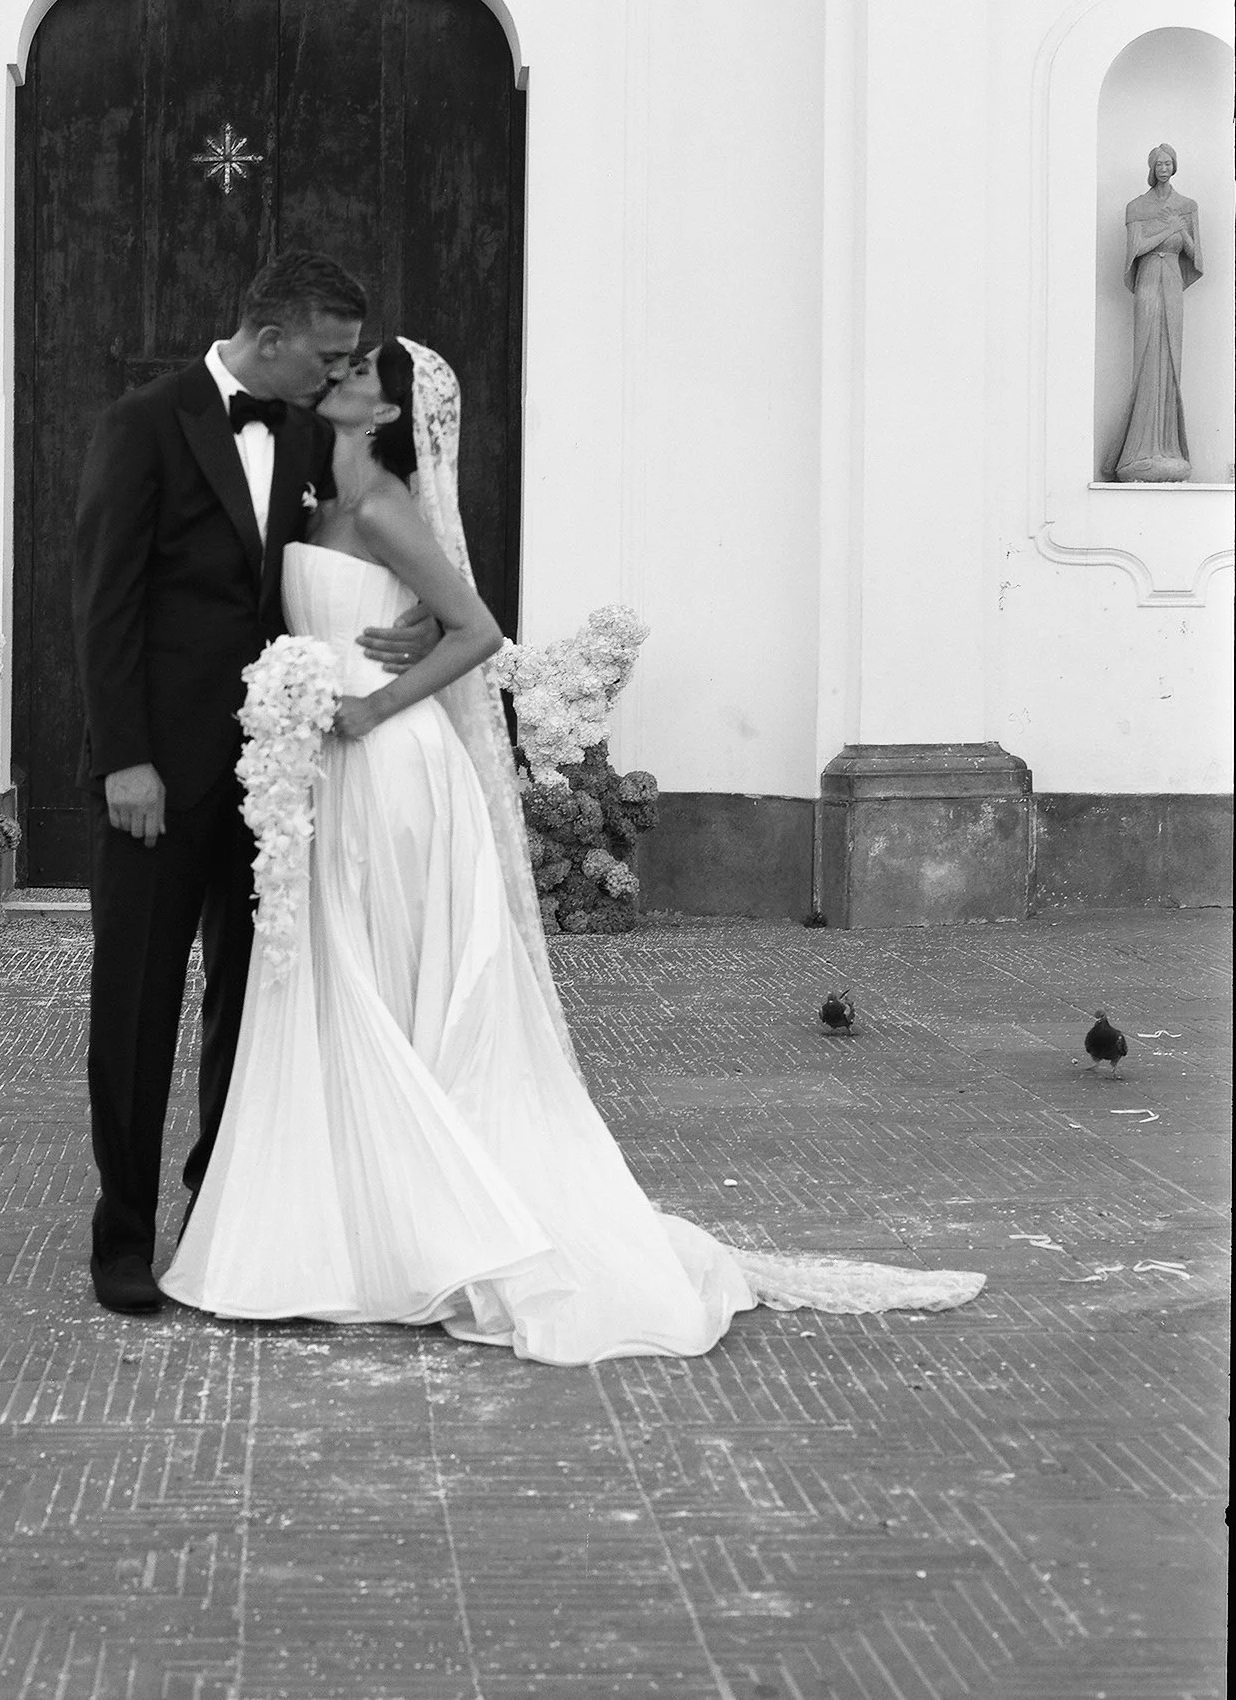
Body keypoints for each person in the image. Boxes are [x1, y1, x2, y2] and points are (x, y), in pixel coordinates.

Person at [159, 337, 985, 1362]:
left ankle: (418, 1216)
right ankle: (344, 1215)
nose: (339, 375)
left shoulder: (382, 510)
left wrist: (370, 702)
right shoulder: (317, 503)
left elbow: (477, 631)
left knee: (386, 970)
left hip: (390, 768)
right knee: (343, 973)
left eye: (362, 372)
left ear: (388, 413)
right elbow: (383, 612)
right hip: (324, 774)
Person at [71, 252, 439, 1315]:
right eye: (323, 356)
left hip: (278, 774)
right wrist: (122, 757)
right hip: (159, 774)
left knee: (255, 1002)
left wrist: (410, 608)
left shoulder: (317, 444)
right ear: (269, 337)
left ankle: (220, 1211)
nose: (334, 378)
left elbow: (366, 552)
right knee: (135, 1004)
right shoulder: (145, 423)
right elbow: (103, 605)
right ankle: (123, 1233)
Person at [1115, 143, 1199, 483]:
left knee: (1171, 358)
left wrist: (1181, 229)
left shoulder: (1187, 206)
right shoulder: (1137, 207)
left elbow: (1195, 256)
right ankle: (1140, 449)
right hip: (1149, 280)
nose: (1163, 167)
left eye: (1168, 162)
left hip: (1173, 283)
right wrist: (1168, 229)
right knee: (1147, 356)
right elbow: (1136, 250)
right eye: (1158, 163)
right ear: (1151, 167)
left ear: (1175, 166)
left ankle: (1169, 448)